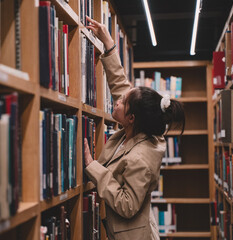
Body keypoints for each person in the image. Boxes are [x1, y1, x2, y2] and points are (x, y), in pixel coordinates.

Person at [83, 16, 185, 240]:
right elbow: (122, 86)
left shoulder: (142, 157)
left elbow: (127, 205)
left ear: (130, 118)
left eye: (122, 102)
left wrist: (93, 167)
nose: (117, 100)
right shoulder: (139, 125)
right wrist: (109, 46)